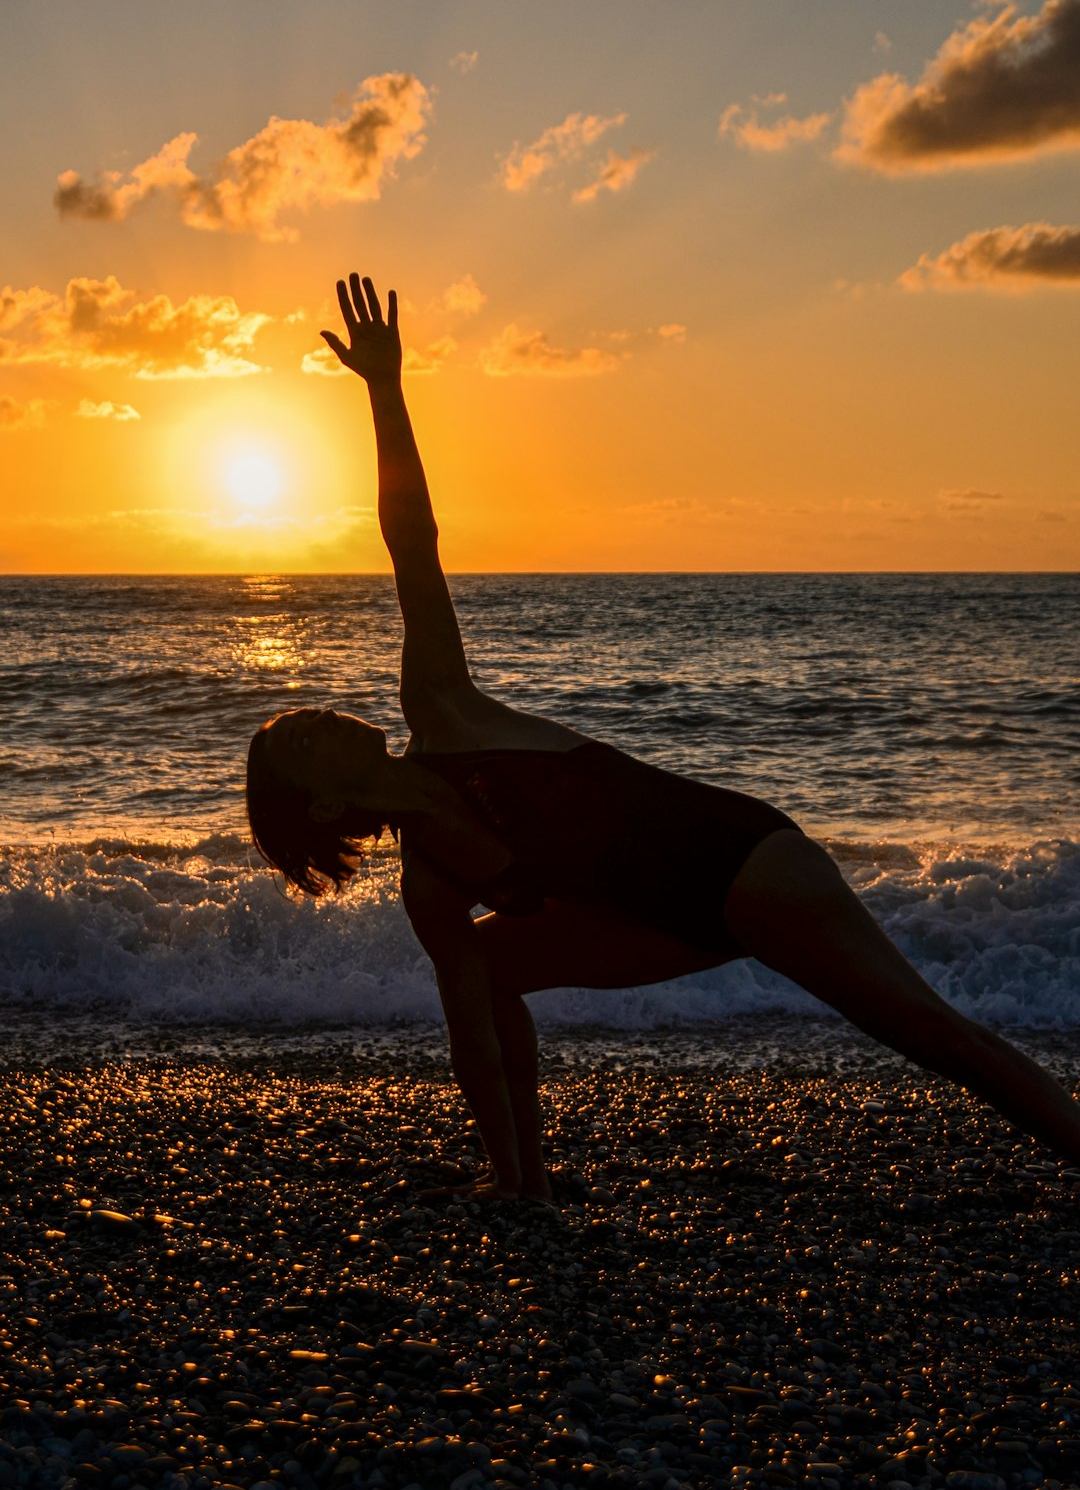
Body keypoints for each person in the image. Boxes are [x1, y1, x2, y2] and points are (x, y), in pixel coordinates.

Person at [247, 273, 1080, 1203]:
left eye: (309, 715)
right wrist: (508, 1170)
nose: (320, 716)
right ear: (322, 803)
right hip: (661, 920)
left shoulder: (443, 710)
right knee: (481, 974)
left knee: (934, 1036)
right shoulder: (433, 890)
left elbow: (414, 541)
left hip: (745, 862)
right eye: (303, 740)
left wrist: (385, 389)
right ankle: (519, 1177)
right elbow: (472, 1036)